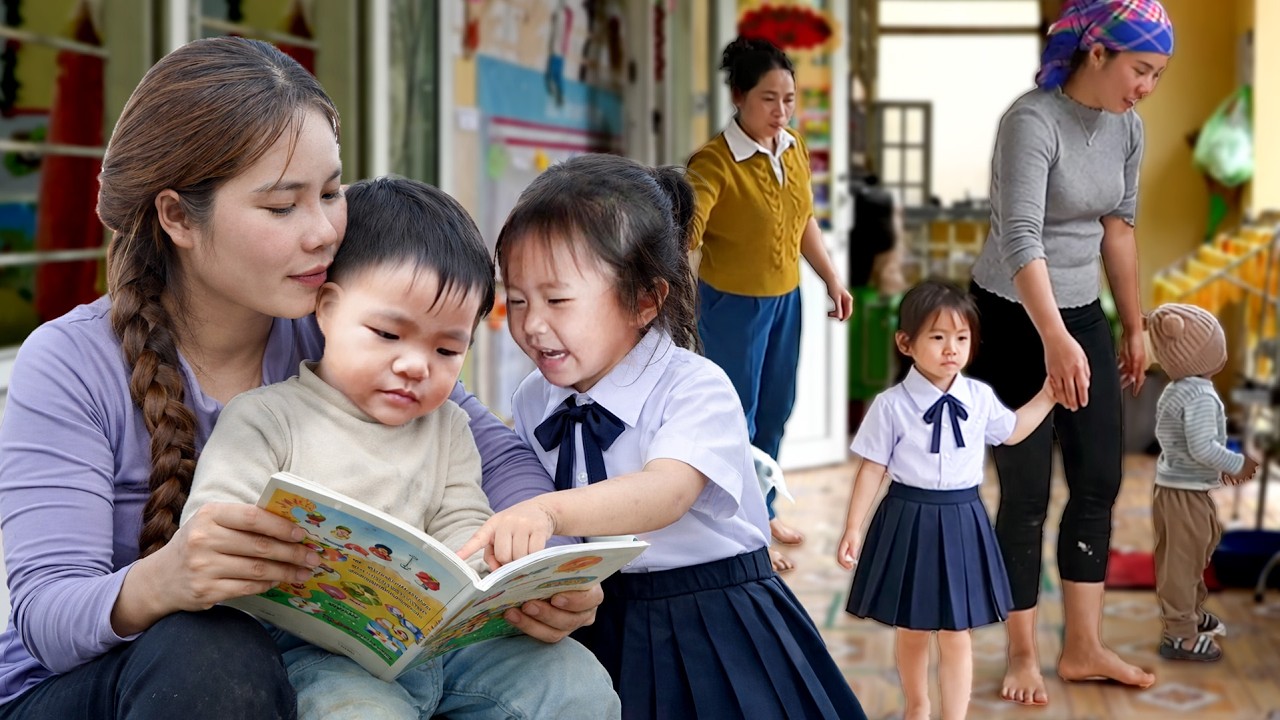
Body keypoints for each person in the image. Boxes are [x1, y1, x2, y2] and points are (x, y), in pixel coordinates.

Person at [0, 37, 600, 719]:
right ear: (176, 217)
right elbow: (45, 616)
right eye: (283, 206)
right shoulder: (71, 363)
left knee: (558, 676)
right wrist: (163, 580)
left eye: (331, 192)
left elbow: (492, 452)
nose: (323, 232)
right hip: (91, 690)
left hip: (323, 663)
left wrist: (545, 562)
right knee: (211, 650)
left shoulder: (341, 328)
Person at [179, 176, 619, 718]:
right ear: (328, 309)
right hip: (319, 653)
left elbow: (464, 525)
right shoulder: (266, 417)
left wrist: (504, 576)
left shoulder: (449, 427)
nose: (416, 365)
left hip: (446, 647)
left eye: (446, 349)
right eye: (388, 335)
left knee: (574, 681)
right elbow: (211, 526)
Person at [456, 154, 867, 719]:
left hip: (713, 620)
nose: (532, 324)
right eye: (519, 299)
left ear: (645, 299)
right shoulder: (533, 397)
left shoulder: (693, 386)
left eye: (557, 300)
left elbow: (666, 492)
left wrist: (549, 513)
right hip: (602, 614)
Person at [965, 0, 1174, 704]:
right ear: (1098, 54)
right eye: (1141, 69)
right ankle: (1021, 653)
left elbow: (1120, 230)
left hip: (1080, 312)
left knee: (1099, 479)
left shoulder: (1128, 128)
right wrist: (1053, 338)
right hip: (1013, 314)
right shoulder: (1032, 122)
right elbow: (1021, 238)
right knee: (1025, 494)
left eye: (1157, 75)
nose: (1147, 86)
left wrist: (1133, 326)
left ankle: (1083, 648)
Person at [836, 281, 1056, 720]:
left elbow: (1011, 430)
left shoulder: (978, 398)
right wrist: (854, 528)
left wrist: (1049, 395)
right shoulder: (891, 405)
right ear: (907, 343)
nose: (951, 349)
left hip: (962, 520)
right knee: (913, 628)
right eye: (937, 337)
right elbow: (873, 469)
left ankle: (954, 716)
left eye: (961, 338)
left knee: (959, 631)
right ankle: (917, 707)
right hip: (908, 518)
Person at [686, 37, 852, 572]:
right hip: (731, 307)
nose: (781, 112)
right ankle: (743, 531)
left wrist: (830, 277)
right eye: (768, 99)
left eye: (789, 99)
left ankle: (764, 508)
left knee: (776, 409)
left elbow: (803, 219)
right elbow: (687, 233)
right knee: (737, 417)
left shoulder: (793, 148)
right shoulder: (713, 162)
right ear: (738, 96)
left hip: (784, 302)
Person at [1147, 303, 1257, 662]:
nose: (1222, 353)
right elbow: (1202, 447)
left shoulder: (1177, 388)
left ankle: (1190, 614)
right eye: (1216, 346)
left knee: (1194, 551)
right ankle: (1180, 634)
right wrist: (1236, 464)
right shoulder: (1199, 394)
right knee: (1182, 560)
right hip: (1185, 492)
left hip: (1178, 488)